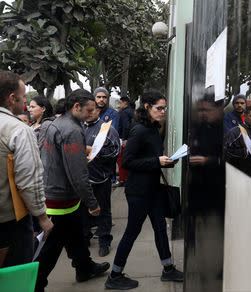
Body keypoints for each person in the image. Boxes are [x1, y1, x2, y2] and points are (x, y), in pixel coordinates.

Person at [105, 90, 183, 290]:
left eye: (164, 108)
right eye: (159, 108)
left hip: (153, 189)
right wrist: (156, 161)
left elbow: (150, 158)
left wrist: (166, 161)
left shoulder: (152, 128)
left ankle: (168, 269)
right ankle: (115, 274)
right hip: (138, 192)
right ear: (147, 107)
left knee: (160, 229)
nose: (162, 112)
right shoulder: (139, 130)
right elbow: (128, 162)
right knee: (132, 232)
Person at [35, 89, 109, 291]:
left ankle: (84, 267)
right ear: (77, 107)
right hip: (61, 199)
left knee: (75, 235)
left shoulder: (56, 123)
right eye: (89, 110)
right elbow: (78, 175)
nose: (92, 114)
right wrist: (92, 203)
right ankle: (36, 283)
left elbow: (59, 160)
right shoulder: (73, 130)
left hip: (58, 194)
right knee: (51, 247)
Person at [0, 71, 53, 268]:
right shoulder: (19, 130)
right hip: (10, 224)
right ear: (12, 98)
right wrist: (42, 217)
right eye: (23, 97)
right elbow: (28, 181)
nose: (25, 104)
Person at [81, 104, 121, 257]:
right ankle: (85, 238)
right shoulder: (78, 128)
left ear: (98, 111)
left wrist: (93, 151)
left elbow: (115, 151)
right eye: (86, 110)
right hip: (82, 179)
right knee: (83, 212)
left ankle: (104, 240)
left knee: (103, 210)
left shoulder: (107, 129)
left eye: (92, 110)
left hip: (101, 178)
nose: (89, 113)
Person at [224, 105, 251, 178]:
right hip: (239, 177)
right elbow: (226, 152)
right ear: (245, 116)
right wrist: (247, 151)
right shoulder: (235, 132)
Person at [115, 96, 134, 187]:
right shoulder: (131, 111)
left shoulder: (124, 113)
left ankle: (123, 180)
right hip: (130, 138)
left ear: (125, 103)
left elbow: (126, 126)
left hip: (124, 139)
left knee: (120, 159)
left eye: (121, 103)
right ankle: (126, 178)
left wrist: (124, 139)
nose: (120, 105)